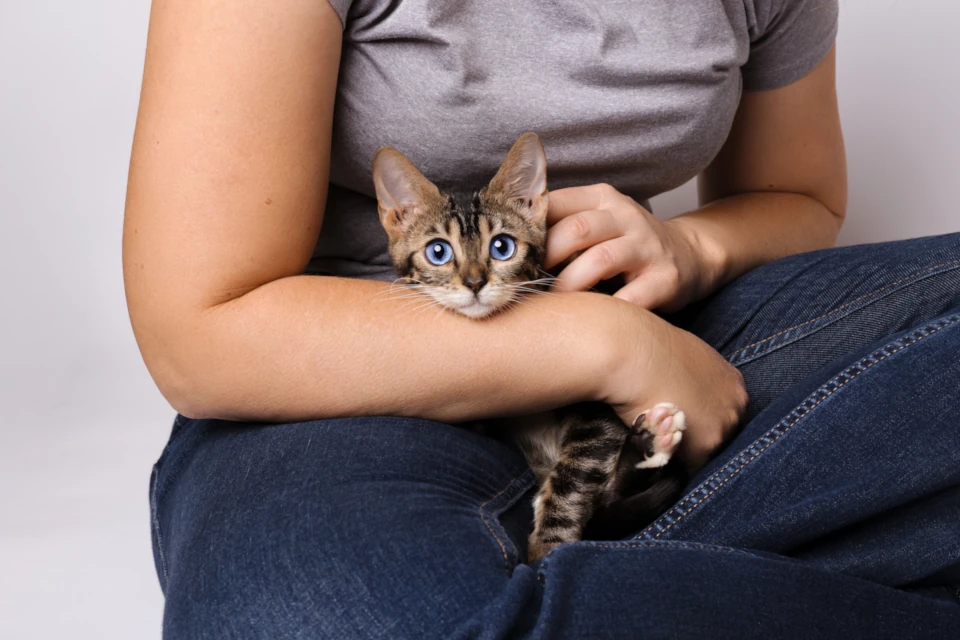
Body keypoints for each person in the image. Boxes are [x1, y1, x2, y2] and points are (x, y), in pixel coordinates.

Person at [123, 0, 960, 637]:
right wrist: (598, 343)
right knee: (328, 614)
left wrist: (690, 249)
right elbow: (196, 332)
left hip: (675, 341)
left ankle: (590, 555)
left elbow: (799, 197)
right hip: (341, 381)